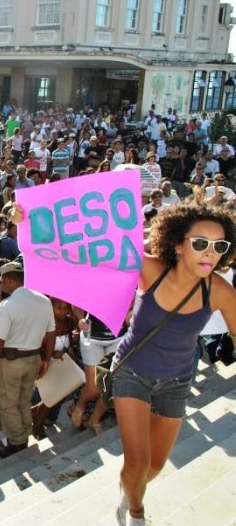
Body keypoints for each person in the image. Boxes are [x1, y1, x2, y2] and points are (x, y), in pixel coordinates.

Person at [103, 201, 236, 525]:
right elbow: (91, 248)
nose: (210, 253)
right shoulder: (150, 270)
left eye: (219, 246)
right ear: (177, 244)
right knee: (137, 462)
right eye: (201, 243)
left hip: (176, 382)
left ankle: (130, 491)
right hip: (132, 372)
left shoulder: (221, 291)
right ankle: (135, 513)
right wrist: (30, 222)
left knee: (155, 466)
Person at [0, 262, 55, 458]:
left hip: (12, 362)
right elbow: (51, 333)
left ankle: (17, 442)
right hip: (34, 358)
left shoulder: (7, 305)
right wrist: (46, 360)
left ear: (9, 280)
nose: (2, 286)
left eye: (3, 282)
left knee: (7, 402)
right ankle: (24, 432)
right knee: (24, 399)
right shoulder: (44, 300)